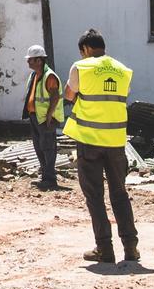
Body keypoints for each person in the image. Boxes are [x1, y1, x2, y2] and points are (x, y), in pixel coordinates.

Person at [62, 28, 138, 266]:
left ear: (85, 49)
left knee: (95, 196)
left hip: (90, 141)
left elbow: (68, 94)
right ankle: (131, 247)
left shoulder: (81, 67)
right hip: (116, 142)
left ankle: (104, 249)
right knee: (120, 195)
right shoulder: (123, 70)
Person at [22, 43, 64, 190]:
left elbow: (55, 97)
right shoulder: (35, 75)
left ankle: (50, 179)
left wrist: (49, 116)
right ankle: (45, 176)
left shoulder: (49, 76)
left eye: (31, 60)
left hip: (46, 118)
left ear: (39, 61)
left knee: (48, 148)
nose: (28, 62)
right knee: (40, 147)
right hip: (36, 116)